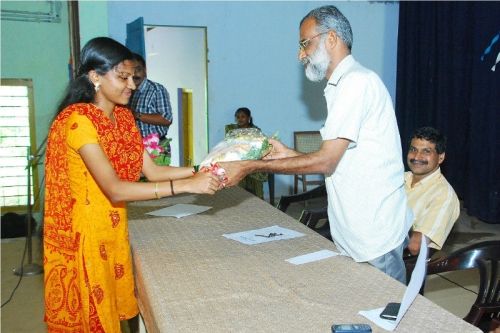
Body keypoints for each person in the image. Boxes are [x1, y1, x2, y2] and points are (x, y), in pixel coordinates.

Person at [221, 5, 412, 283]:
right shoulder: (342, 85)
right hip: (355, 229)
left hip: (375, 232)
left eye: (304, 44)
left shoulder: (356, 83)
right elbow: (339, 160)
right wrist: (288, 154)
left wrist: (250, 166)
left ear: (331, 38)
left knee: (385, 319)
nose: (300, 55)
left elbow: (326, 161)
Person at [43, 37, 221, 333]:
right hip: (85, 237)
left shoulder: (124, 119)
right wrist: (189, 186)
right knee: (95, 320)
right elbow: (115, 188)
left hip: (114, 230)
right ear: (95, 77)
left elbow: (152, 171)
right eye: (122, 77)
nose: (132, 85)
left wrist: (203, 167)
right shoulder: (77, 121)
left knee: (116, 315)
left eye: (134, 77)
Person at [405, 127, 460, 256]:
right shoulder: (398, 178)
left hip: (403, 263)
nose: (417, 157)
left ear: (440, 158)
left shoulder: (444, 195)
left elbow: (415, 246)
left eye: (426, 151)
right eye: (413, 149)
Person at [128, 52, 172, 143]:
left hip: (156, 145)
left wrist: (136, 115)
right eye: (130, 71)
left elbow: (167, 119)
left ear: (145, 70)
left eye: (138, 70)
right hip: (134, 144)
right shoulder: (125, 90)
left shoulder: (156, 90)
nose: (134, 75)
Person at [225, 107, 268, 199]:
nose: (240, 119)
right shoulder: (231, 129)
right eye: (237, 117)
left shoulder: (255, 130)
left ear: (249, 118)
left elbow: (258, 147)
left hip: (252, 159)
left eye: (243, 117)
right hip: (237, 160)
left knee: (257, 171)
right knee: (238, 175)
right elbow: (229, 145)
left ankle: (260, 203)